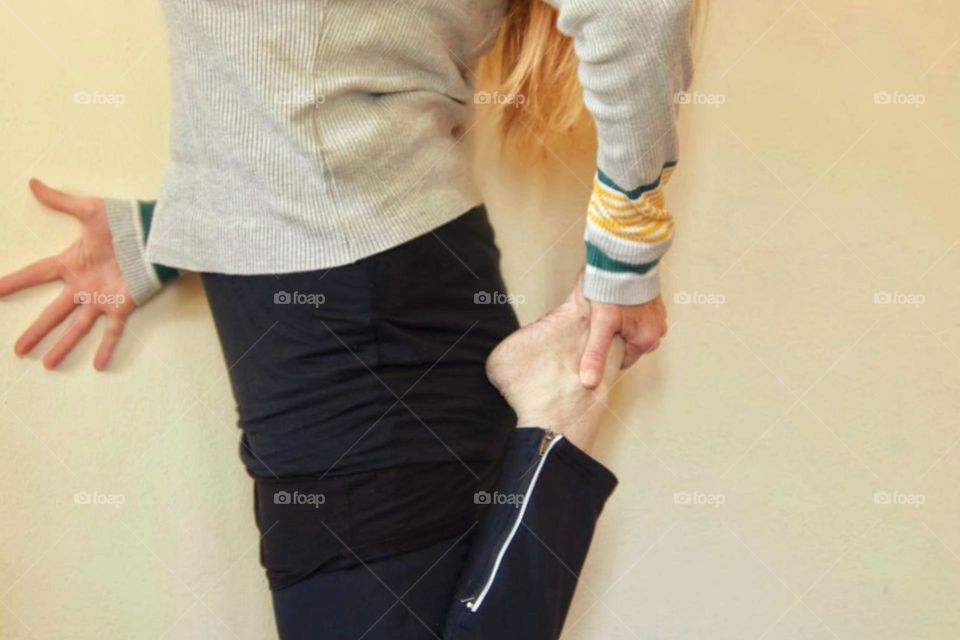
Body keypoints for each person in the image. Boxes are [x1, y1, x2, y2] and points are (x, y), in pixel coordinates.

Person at [0, 0, 700, 637]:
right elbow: (270, 81)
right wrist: (168, 234)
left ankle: (555, 428)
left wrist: (627, 253)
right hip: (339, 293)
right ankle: (552, 429)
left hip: (365, 306)